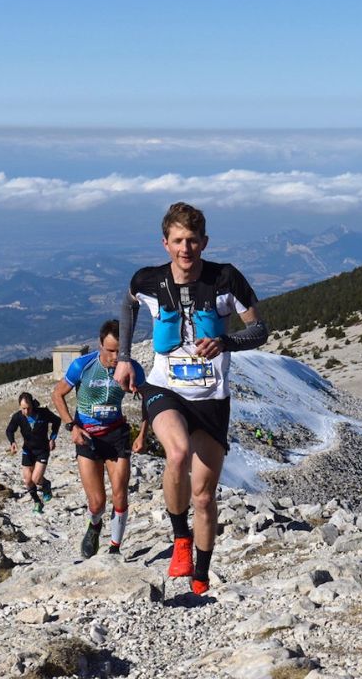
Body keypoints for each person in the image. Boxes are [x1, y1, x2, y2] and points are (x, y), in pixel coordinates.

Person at [114, 202, 268, 594]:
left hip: (213, 398)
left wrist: (225, 341)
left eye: (193, 241)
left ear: (204, 242)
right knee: (177, 454)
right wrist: (126, 358)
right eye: (178, 240)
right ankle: (179, 538)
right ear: (165, 243)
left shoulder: (225, 279)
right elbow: (128, 306)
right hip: (165, 388)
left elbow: (261, 329)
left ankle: (200, 577)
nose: (186, 248)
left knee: (203, 495)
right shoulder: (147, 281)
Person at [51, 319, 145, 559]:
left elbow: (150, 401)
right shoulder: (82, 365)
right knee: (97, 503)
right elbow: (57, 394)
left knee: (120, 494)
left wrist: (143, 433)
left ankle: (115, 548)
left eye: (119, 351)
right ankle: (95, 525)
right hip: (88, 437)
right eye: (110, 350)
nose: (115, 356)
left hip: (116, 434)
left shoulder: (132, 367)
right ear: (100, 344)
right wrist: (71, 426)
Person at [5, 392, 61, 513]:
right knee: (27, 480)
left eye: (28, 407)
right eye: (23, 408)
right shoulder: (18, 417)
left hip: (42, 450)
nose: (26, 411)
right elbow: (9, 430)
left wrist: (52, 438)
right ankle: (37, 502)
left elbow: (57, 421)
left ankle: (45, 484)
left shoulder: (43, 413)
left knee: (36, 479)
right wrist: (12, 442)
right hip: (27, 451)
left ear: (32, 404)